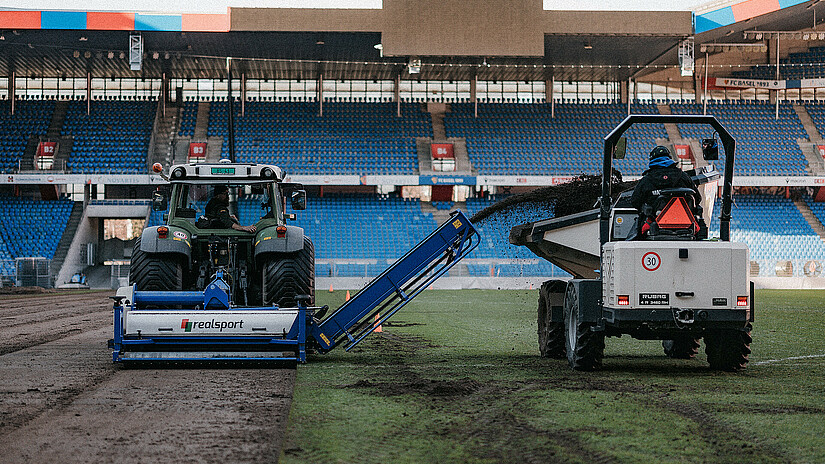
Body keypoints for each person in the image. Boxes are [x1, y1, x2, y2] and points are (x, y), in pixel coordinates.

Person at [630, 145, 700, 236]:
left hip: (654, 227)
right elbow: (697, 198)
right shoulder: (683, 176)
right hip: (686, 227)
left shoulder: (646, 180)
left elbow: (635, 202)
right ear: (669, 157)